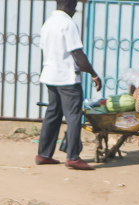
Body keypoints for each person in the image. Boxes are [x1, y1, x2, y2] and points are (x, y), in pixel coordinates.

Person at [35, 0, 101, 171]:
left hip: (50, 76)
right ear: (70, 5)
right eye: (75, 7)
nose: (75, 10)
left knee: (53, 114)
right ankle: (73, 157)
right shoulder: (67, 23)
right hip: (67, 78)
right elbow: (77, 52)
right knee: (73, 116)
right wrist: (93, 73)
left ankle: (43, 154)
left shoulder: (48, 23)